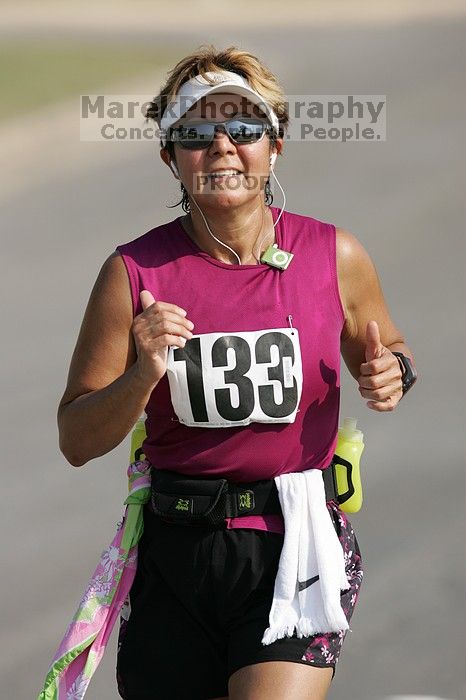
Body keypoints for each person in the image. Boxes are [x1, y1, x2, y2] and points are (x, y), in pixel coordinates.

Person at [57, 46, 417, 700]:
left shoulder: (334, 254)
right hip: (174, 556)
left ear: (274, 144)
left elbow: (388, 347)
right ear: (171, 157)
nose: (221, 146)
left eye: (243, 128)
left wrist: (390, 371)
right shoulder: (133, 274)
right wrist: (141, 373)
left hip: (295, 546)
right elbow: (77, 439)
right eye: (194, 134)